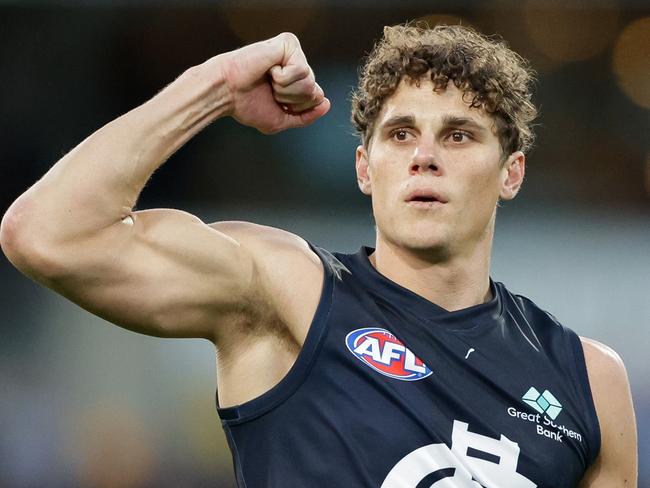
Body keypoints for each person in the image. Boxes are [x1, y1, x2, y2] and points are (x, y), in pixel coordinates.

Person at [0, 23, 637, 487]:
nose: (425, 155)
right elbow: (46, 234)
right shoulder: (291, 294)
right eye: (401, 133)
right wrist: (214, 85)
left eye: (460, 135)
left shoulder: (589, 381)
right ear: (365, 167)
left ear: (512, 173)